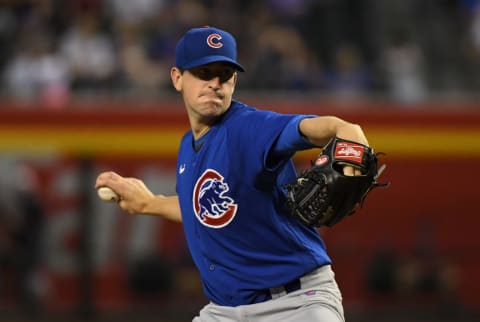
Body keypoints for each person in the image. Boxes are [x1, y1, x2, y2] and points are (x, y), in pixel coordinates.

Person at [96, 26, 370, 322]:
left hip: (296, 304)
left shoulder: (250, 128)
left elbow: (342, 129)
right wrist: (150, 203)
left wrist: (351, 152)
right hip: (224, 312)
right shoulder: (188, 145)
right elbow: (202, 208)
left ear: (234, 81)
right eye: (204, 72)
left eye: (224, 75)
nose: (215, 83)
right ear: (177, 78)